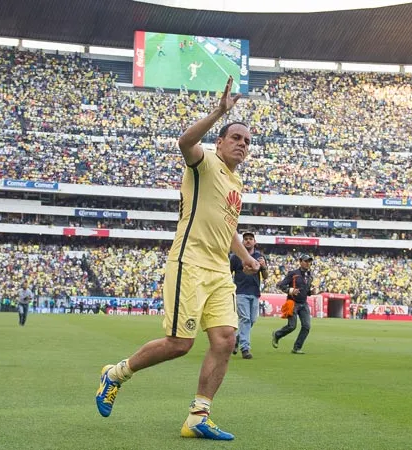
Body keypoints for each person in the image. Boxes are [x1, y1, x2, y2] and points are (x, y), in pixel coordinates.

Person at [95, 76, 259, 441]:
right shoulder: (203, 162)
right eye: (236, 137)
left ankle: (199, 416)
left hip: (219, 270)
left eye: (247, 141)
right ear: (220, 141)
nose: (242, 144)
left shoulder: (237, 185)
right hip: (190, 262)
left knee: (225, 339)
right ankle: (116, 373)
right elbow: (184, 142)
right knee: (179, 344)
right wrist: (219, 111)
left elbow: (227, 224)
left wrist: (245, 255)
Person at [230, 231, 268, 359]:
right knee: (245, 319)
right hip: (240, 291)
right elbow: (228, 272)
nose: (248, 240)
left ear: (254, 242)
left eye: (250, 238)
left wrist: (263, 267)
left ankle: (236, 339)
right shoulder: (235, 257)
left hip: (255, 292)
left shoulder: (259, 256)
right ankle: (245, 348)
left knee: (252, 320)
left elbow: (266, 276)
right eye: (245, 238)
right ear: (242, 242)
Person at [272, 254, 315, 354]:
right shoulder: (293, 273)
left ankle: (297, 348)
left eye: (309, 261)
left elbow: (306, 290)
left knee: (306, 326)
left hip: (304, 303)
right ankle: (277, 334)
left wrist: (310, 292)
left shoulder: (310, 276)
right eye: (306, 261)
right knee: (292, 326)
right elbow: (280, 285)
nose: (308, 263)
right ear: (300, 262)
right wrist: (290, 290)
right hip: (293, 302)